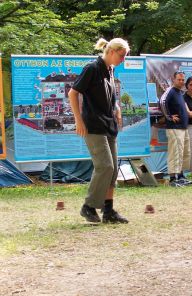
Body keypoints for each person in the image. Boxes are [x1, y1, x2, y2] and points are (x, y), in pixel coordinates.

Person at [68, 37, 129, 223]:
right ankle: (88, 206)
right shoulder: (92, 68)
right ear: (111, 52)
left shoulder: (110, 70)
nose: (123, 60)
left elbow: (109, 96)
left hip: (109, 125)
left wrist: (117, 108)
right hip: (93, 126)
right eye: (122, 55)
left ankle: (108, 211)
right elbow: (73, 93)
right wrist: (78, 121)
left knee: (112, 170)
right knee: (105, 166)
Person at [160, 71, 191, 186]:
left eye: (183, 80)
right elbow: (162, 102)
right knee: (175, 152)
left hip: (183, 127)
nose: (181, 82)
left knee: (183, 152)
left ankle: (181, 176)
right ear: (173, 80)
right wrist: (168, 116)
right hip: (174, 127)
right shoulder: (170, 91)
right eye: (179, 79)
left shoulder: (179, 92)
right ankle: (173, 179)